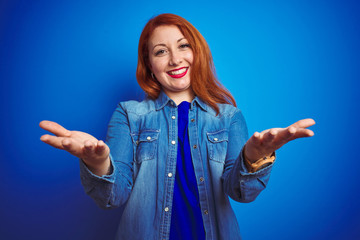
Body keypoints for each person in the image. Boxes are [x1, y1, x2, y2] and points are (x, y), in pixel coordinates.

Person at [40, 13, 315, 240]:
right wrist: (98, 163)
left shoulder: (229, 117)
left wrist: (254, 158)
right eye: (161, 51)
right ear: (149, 64)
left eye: (183, 46)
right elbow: (113, 196)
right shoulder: (129, 114)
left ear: (197, 51)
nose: (174, 59)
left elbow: (241, 193)